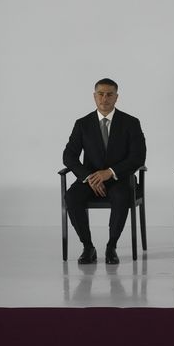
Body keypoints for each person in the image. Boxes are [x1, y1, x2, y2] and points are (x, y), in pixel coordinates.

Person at [63, 78, 146, 264]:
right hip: (90, 180)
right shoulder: (82, 123)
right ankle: (88, 247)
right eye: (100, 94)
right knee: (71, 197)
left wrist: (110, 172)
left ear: (116, 97)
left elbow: (138, 157)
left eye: (109, 94)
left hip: (120, 179)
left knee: (121, 196)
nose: (104, 98)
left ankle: (111, 246)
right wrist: (87, 177)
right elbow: (69, 156)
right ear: (94, 96)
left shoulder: (131, 123)